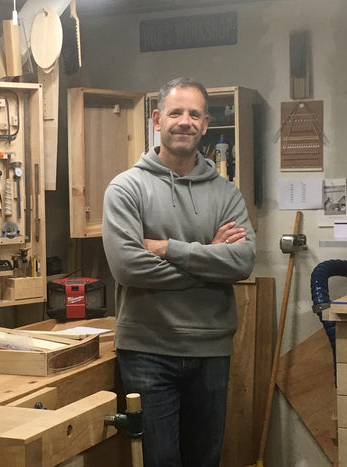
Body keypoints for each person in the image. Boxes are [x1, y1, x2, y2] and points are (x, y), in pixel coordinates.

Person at [102, 77, 256, 467]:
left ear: (205, 124)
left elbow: (242, 261)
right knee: (160, 461)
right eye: (175, 112)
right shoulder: (126, 189)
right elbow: (128, 267)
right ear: (157, 119)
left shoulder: (226, 193)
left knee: (205, 459)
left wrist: (168, 248)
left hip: (210, 349)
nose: (184, 121)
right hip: (147, 350)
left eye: (194, 114)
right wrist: (209, 260)